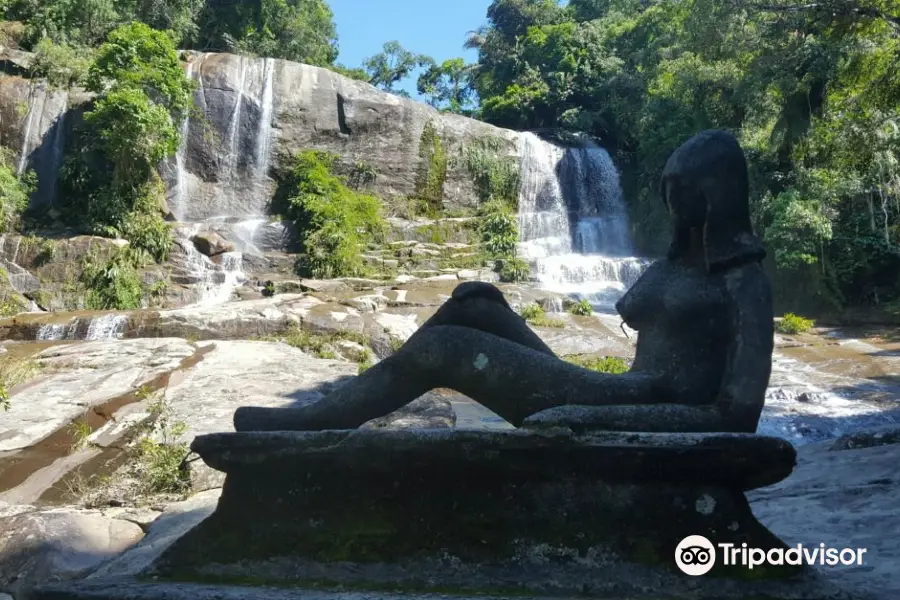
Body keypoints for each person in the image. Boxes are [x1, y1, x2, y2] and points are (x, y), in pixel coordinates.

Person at [234, 130, 773, 434]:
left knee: (447, 347)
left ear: (717, 192)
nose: (672, 200)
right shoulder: (673, 267)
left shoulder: (742, 282)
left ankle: (314, 423)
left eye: (685, 188)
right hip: (614, 391)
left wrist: (592, 417)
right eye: (667, 187)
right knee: (477, 302)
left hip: (636, 404)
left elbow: (737, 414)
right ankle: (339, 407)